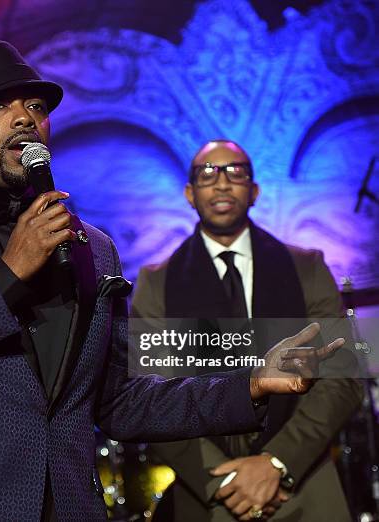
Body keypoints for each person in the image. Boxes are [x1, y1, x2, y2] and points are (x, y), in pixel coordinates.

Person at [0, 43, 343, 522]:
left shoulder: (92, 247)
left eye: (35, 106)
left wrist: (249, 386)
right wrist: (8, 275)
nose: (24, 118)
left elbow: (120, 402)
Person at [132, 139, 363, 521]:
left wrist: (277, 463)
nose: (222, 183)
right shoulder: (157, 282)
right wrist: (225, 481)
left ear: (254, 191)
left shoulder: (307, 267)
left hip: (302, 486)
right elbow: (151, 394)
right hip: (211, 492)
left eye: (235, 172)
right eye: (208, 174)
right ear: (190, 194)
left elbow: (342, 377)